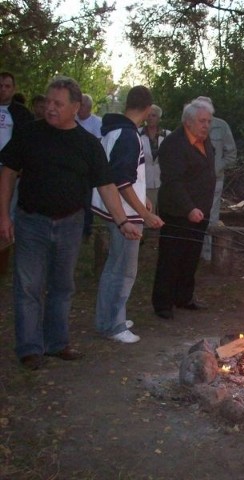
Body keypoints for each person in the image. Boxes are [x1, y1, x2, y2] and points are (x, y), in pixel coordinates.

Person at [0, 76, 141, 370]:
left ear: (75, 107)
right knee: (29, 286)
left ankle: (57, 343)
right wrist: (3, 214)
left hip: (70, 224)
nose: (50, 108)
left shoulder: (88, 144)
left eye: (57, 104)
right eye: (48, 102)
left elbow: (106, 185)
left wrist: (122, 221)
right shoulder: (29, 134)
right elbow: (9, 173)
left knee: (63, 286)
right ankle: (30, 348)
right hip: (31, 222)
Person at [92, 86, 164, 343]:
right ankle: (113, 324)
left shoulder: (116, 130)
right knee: (123, 270)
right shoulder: (128, 135)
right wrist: (144, 213)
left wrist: (141, 195)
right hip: (124, 214)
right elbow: (121, 181)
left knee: (116, 266)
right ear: (147, 109)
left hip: (119, 209)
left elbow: (126, 176)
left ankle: (110, 316)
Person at [152, 99, 216, 320]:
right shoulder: (173, 144)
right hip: (178, 212)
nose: (206, 125)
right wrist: (189, 208)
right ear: (188, 122)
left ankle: (184, 297)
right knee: (171, 257)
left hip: (201, 212)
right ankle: (163, 303)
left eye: (209, 121)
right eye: (202, 121)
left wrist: (202, 209)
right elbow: (173, 182)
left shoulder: (205, 141)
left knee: (190, 257)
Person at [0, 72, 34, 274]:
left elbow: (28, 142)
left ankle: (3, 262)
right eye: (0, 85)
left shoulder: (21, 114)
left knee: (7, 214)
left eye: (6, 86)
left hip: (10, 170)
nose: (3, 89)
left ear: (13, 88)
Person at [196, 97, 237, 262]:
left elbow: (231, 154)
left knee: (211, 218)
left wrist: (217, 167)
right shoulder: (190, 125)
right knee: (195, 215)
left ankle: (208, 255)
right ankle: (196, 252)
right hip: (194, 181)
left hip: (215, 180)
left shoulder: (222, 126)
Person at [76, 93, 102, 240]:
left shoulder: (96, 123)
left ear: (90, 107)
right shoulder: (73, 120)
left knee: (87, 200)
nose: (80, 108)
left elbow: (97, 144)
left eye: (83, 105)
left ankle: (86, 229)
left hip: (88, 167)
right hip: (73, 165)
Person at [139, 104, 170, 214]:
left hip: (161, 179)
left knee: (162, 210)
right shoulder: (138, 133)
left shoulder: (167, 135)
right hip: (143, 178)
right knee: (146, 210)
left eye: (154, 115)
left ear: (159, 118)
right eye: (149, 115)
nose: (151, 118)